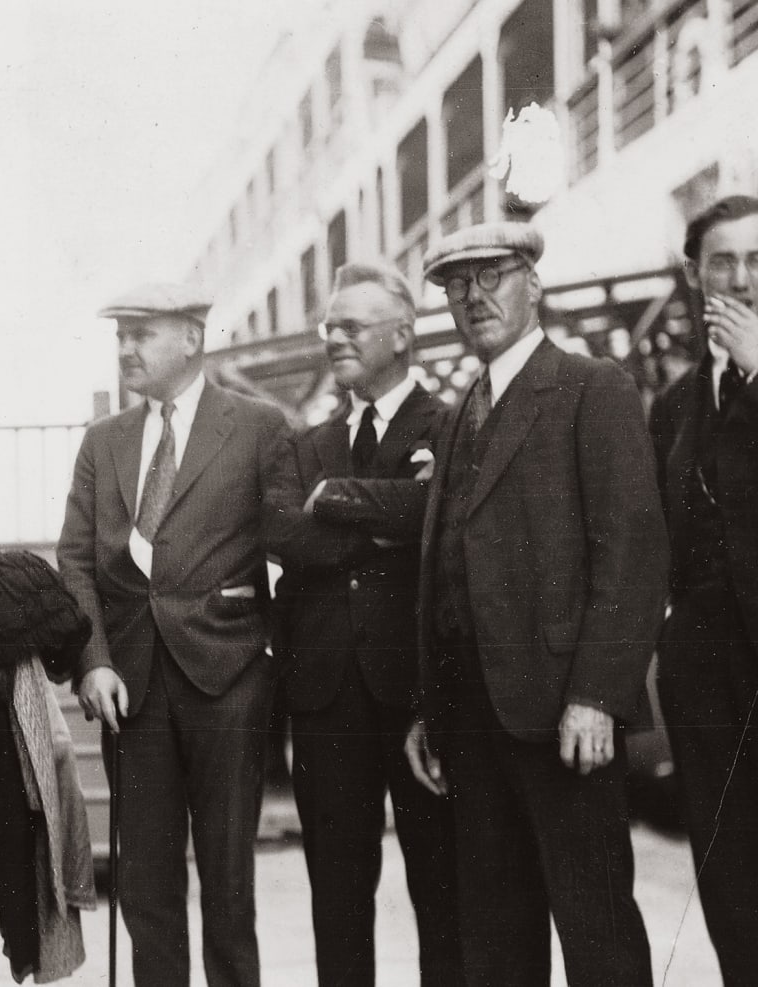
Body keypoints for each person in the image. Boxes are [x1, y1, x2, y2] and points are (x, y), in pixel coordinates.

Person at [406, 222, 668, 986]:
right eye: (457, 284)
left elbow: (633, 553)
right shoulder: (460, 415)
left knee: (598, 931)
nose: (473, 295)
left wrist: (597, 695)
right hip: (474, 720)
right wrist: (430, 705)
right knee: (494, 937)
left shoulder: (594, 386)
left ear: (535, 284)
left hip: (563, 718)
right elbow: (443, 569)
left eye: (492, 275)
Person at [57, 283, 289, 987]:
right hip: (130, 687)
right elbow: (73, 559)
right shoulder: (104, 442)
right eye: (120, 334)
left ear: (191, 337)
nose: (125, 347)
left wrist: (263, 647)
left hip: (229, 678)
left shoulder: (256, 425)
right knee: (146, 884)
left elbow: (285, 544)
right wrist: (91, 661)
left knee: (228, 881)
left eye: (142, 333)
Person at [265, 261, 463, 986]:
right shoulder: (304, 443)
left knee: (443, 888)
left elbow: (439, 520)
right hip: (325, 696)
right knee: (337, 899)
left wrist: (341, 498)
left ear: (403, 335)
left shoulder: (449, 423)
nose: (334, 338)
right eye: (331, 326)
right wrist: (390, 517)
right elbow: (284, 533)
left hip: (419, 693)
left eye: (352, 325)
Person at [649, 194, 758, 983]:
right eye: (724, 260)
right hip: (707, 677)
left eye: (757, 261)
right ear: (696, 273)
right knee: (729, 880)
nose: (743, 278)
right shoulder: (674, 405)